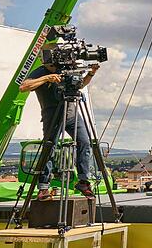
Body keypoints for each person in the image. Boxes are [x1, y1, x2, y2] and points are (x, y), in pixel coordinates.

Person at [19, 49, 99, 201]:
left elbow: (79, 85)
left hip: (71, 114)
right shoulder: (41, 72)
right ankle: (43, 187)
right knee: (50, 147)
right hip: (52, 114)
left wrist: (91, 74)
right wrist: (47, 78)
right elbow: (23, 87)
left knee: (85, 142)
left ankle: (83, 181)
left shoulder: (66, 69)